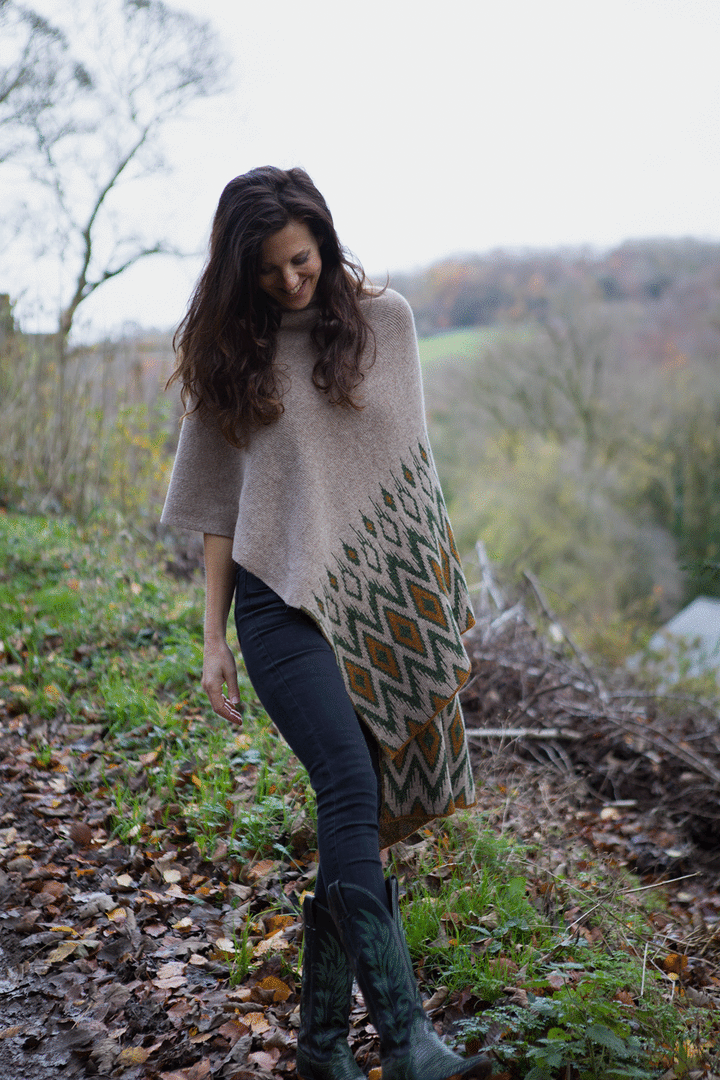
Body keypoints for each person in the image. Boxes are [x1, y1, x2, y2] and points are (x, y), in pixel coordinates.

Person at [162, 166, 491, 1080]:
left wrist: (419, 603)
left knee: (361, 811)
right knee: (348, 784)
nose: (290, 283)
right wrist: (213, 639)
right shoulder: (231, 353)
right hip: (277, 606)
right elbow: (223, 512)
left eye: (300, 261)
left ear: (324, 241)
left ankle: (317, 1049)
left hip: (374, 601)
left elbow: (408, 475)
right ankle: (408, 1039)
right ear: (240, 272)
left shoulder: (386, 322)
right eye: (268, 271)